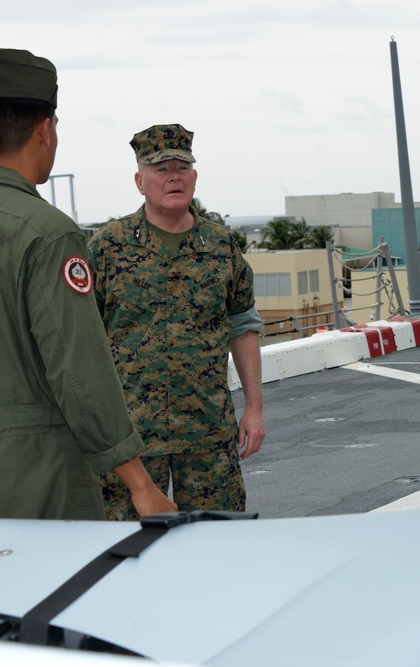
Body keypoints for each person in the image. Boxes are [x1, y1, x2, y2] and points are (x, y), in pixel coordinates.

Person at [0, 49, 175, 519]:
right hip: (40, 478)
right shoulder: (48, 231)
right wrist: (141, 486)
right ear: (45, 130)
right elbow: (79, 369)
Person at [87, 124, 265, 520]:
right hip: (130, 440)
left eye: (182, 168)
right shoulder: (108, 247)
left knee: (218, 547)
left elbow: (243, 325)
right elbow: (82, 338)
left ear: (195, 178)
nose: (173, 177)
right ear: (139, 181)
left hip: (207, 433)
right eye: (160, 168)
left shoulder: (221, 247)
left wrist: (254, 408)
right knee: (124, 549)